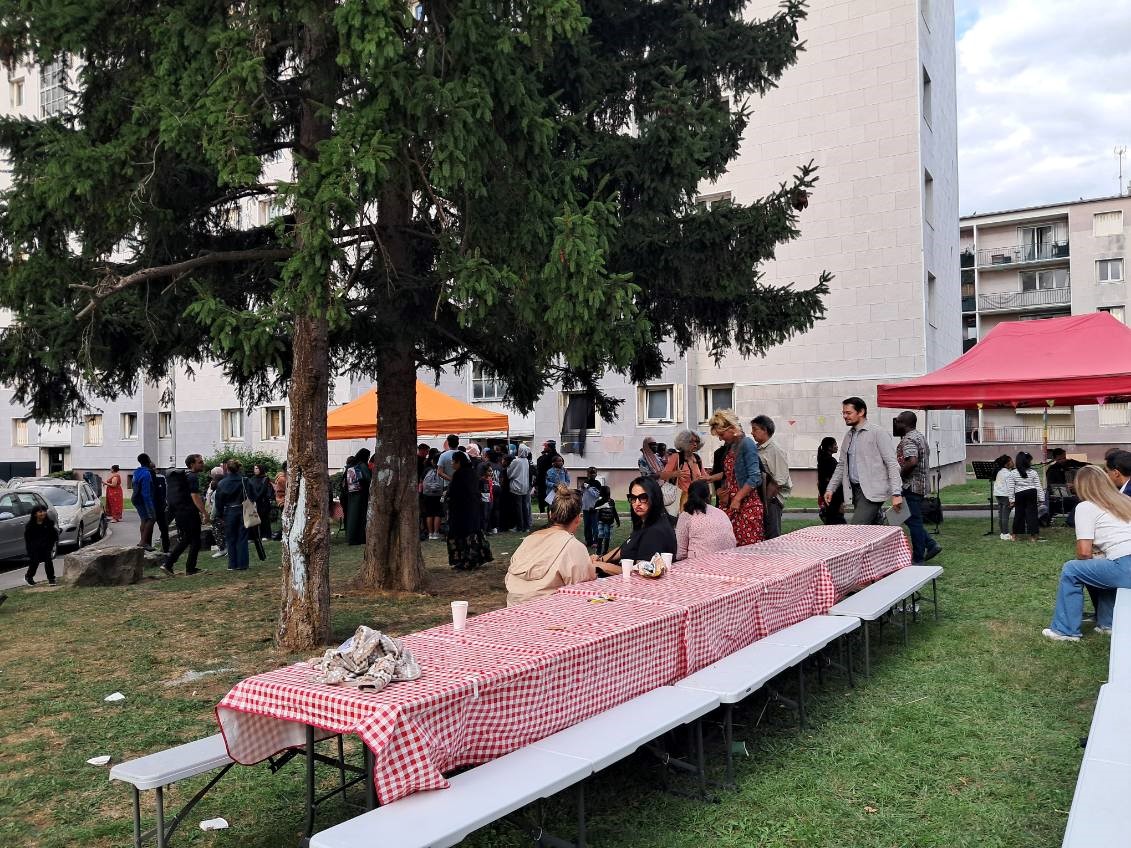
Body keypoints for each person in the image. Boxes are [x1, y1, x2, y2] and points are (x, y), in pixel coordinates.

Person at [1043, 465, 1131, 641]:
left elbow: (1084, 553)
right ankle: (1108, 623)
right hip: (1123, 563)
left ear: (1081, 486)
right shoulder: (1124, 501)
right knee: (1104, 565)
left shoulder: (1086, 507)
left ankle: (1065, 630)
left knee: (1071, 569)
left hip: (1125, 565)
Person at [505, 485, 596, 605]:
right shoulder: (573, 546)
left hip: (512, 610)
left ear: (549, 514)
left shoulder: (528, 540)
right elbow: (583, 591)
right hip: (549, 614)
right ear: (578, 519)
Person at [821, 397, 902, 525]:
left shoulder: (878, 433)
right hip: (854, 491)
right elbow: (841, 465)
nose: (844, 416)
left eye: (848, 413)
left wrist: (896, 493)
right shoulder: (848, 436)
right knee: (872, 531)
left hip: (872, 491)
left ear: (861, 412)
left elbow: (892, 464)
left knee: (856, 529)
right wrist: (830, 489)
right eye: (843, 413)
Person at [707, 409, 764, 546]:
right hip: (731, 505)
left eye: (721, 434)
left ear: (732, 428)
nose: (720, 438)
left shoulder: (747, 444)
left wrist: (737, 498)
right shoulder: (732, 446)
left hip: (746, 506)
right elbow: (730, 473)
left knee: (747, 549)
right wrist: (711, 479)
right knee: (728, 547)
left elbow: (755, 476)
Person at [893, 411, 942, 564]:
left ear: (905, 424)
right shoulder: (919, 436)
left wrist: (899, 475)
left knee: (914, 522)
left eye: (898, 422)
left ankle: (918, 558)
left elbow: (912, 461)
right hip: (920, 485)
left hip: (911, 485)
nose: (896, 424)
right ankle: (930, 543)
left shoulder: (908, 439)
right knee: (908, 518)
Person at [162, 454, 208, 576]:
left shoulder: (185, 476)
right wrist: (204, 513)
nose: (202, 464)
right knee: (195, 540)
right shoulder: (192, 477)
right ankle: (187, 568)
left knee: (187, 539)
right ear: (192, 464)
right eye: (200, 462)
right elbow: (195, 496)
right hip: (189, 512)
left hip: (180, 512)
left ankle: (170, 564)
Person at [446, 451, 493, 571]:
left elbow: (455, 493)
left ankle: (465, 561)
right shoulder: (472, 473)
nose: (452, 464)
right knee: (472, 534)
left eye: (453, 461)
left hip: (461, 511)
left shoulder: (459, 475)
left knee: (462, 536)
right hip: (473, 509)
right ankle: (473, 560)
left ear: (459, 462)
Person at [616, 476, 677, 562]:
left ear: (654, 498)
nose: (637, 503)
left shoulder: (655, 531)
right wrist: (601, 559)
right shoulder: (644, 522)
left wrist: (601, 566)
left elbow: (643, 570)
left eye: (643, 497)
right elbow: (627, 546)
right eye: (633, 498)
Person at [749, 416, 791, 540]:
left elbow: (780, 479)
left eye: (755, 429)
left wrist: (766, 501)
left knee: (772, 535)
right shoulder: (757, 448)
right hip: (762, 497)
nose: (752, 433)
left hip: (772, 499)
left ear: (765, 430)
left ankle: (775, 558)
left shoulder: (775, 450)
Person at [675, 480, 736, 562]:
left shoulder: (686, 516)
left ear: (689, 496)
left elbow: (680, 554)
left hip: (700, 566)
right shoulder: (721, 513)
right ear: (709, 496)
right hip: (729, 562)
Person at [213, 459, 250, 570]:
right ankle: (243, 564)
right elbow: (252, 495)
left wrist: (219, 514)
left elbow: (218, 501)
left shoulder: (222, 483)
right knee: (242, 537)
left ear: (227, 469)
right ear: (239, 468)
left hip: (229, 511)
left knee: (230, 538)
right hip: (243, 509)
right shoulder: (245, 480)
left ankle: (232, 564)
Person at [662, 430, 710, 513]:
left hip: (697, 498)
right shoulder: (676, 457)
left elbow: (704, 476)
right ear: (683, 442)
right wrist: (675, 474)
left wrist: (707, 477)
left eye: (697, 441)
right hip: (681, 498)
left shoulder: (697, 458)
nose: (695, 444)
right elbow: (663, 475)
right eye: (691, 441)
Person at [1007, 451, 1043, 541]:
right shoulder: (1033, 472)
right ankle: (1033, 536)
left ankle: (1014, 535)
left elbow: (1011, 487)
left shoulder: (1013, 473)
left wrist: (1011, 499)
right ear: (1027, 462)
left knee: (1019, 514)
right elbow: (1038, 486)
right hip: (1032, 492)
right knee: (1032, 514)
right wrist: (1041, 498)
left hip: (1019, 494)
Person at [1046, 448, 1086, 526]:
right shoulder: (1052, 470)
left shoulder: (1070, 463)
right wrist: (1065, 486)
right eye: (1060, 459)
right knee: (1078, 500)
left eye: (1064, 457)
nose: (1063, 460)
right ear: (1054, 459)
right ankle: (1070, 521)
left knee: (1083, 499)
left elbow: (1085, 465)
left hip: (1072, 493)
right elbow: (1050, 487)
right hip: (1059, 497)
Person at [23, 504, 59, 586]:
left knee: (48, 561)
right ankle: (28, 576)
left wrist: (51, 544)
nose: (43, 513)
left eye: (44, 511)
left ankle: (51, 579)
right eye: (40, 512)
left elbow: (54, 536)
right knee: (34, 562)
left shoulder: (49, 524)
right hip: (34, 548)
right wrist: (31, 550)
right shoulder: (30, 526)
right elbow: (28, 539)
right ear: (35, 514)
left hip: (46, 546)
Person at [247, 463, 274, 561]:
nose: (255, 470)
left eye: (257, 468)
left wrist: (256, 497)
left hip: (262, 502)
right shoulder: (252, 479)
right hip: (254, 501)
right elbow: (250, 489)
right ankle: (253, 536)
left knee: (263, 518)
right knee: (253, 519)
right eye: (254, 468)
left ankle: (265, 535)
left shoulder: (265, 478)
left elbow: (263, 490)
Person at [131, 453, 157, 551]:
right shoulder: (146, 474)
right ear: (148, 460)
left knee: (144, 519)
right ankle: (143, 542)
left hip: (135, 498)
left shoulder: (137, 472)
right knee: (152, 518)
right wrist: (150, 505)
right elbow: (146, 492)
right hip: (143, 499)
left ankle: (143, 541)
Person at [816, 437, 845, 524]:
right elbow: (837, 482)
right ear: (829, 447)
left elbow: (820, 483)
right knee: (839, 524)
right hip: (834, 499)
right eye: (835, 444)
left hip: (827, 498)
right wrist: (840, 502)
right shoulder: (831, 462)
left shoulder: (822, 461)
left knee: (831, 522)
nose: (837, 446)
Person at [346, 448, 371, 546]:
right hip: (361, 494)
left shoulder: (351, 465)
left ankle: (351, 537)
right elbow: (368, 479)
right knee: (361, 517)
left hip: (352, 494)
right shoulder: (362, 465)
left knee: (352, 516)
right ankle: (360, 538)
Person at [508, 443, 533, 531]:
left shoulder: (516, 461)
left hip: (516, 486)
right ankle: (526, 526)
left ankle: (519, 526)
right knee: (524, 507)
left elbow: (509, 473)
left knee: (518, 508)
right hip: (525, 486)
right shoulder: (526, 461)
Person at [992, 454, 1015, 540]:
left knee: (1001, 514)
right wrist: (1012, 500)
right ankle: (1005, 533)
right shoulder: (1008, 474)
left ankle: (1002, 533)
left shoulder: (999, 471)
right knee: (1005, 515)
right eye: (1011, 461)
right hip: (1005, 495)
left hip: (998, 495)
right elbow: (1010, 487)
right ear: (1006, 464)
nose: (1013, 462)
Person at [150, 461, 171, 554]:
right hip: (153, 507)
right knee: (151, 527)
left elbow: (166, 491)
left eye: (153, 467)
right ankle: (149, 547)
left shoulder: (161, 478)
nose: (153, 469)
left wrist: (166, 502)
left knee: (164, 528)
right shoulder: (147, 478)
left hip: (160, 506)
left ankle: (166, 548)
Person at [593, 484, 620, 556]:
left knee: (607, 537)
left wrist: (617, 520)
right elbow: (594, 509)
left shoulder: (611, 501)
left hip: (609, 523)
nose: (608, 496)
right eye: (607, 494)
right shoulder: (599, 502)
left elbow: (614, 511)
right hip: (601, 522)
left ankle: (605, 552)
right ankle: (598, 552)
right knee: (601, 536)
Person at [534, 440, 560, 513]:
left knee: (552, 502)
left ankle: (552, 520)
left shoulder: (553, 457)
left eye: (545, 446)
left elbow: (540, 466)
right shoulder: (555, 456)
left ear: (550, 447)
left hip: (551, 484)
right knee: (549, 503)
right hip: (544, 483)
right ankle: (550, 520)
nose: (544, 448)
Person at [581, 467, 602, 549]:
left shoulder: (597, 483)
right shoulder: (585, 482)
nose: (591, 474)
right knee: (587, 525)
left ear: (596, 474)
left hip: (594, 508)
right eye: (590, 473)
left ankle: (596, 541)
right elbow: (582, 493)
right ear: (587, 474)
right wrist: (582, 488)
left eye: (593, 473)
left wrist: (589, 487)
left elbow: (596, 495)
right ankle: (588, 541)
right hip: (586, 508)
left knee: (595, 526)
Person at [271, 461, 287, 540]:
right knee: (286, 520)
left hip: (282, 501)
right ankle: (279, 535)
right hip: (283, 501)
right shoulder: (282, 479)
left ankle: (280, 535)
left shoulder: (284, 477)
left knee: (285, 520)